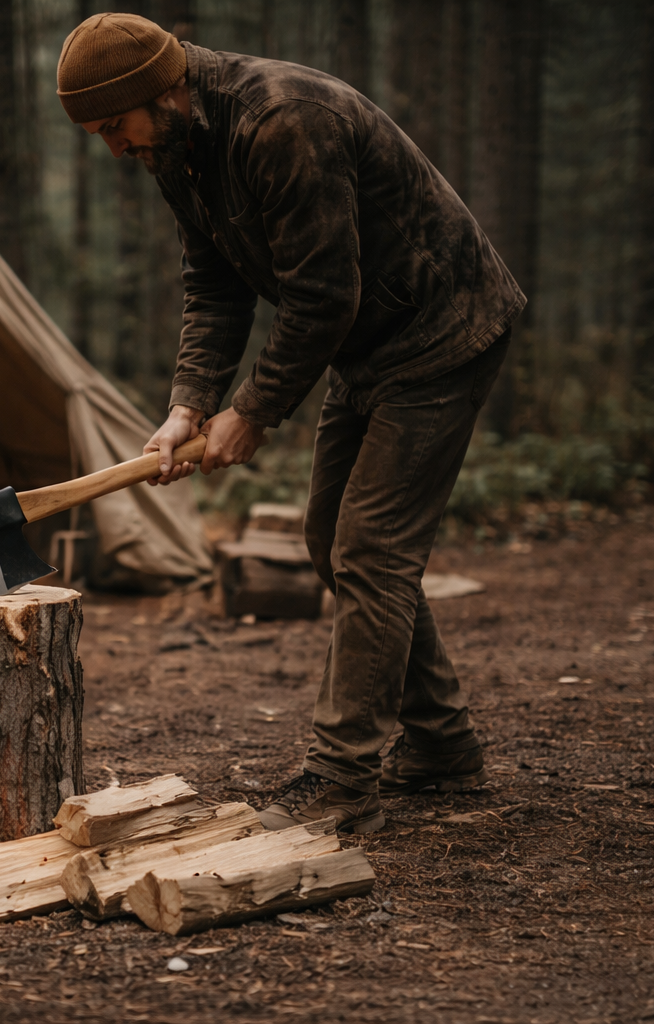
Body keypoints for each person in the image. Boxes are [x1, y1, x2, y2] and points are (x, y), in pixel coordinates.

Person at [57, 13, 524, 833]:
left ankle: (343, 777)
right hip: (366, 340)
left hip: (441, 327)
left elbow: (321, 297)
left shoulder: (282, 121)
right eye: (99, 134)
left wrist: (254, 411)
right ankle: (444, 745)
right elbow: (214, 282)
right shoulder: (174, 144)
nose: (114, 149)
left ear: (162, 92)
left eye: (113, 127)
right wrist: (189, 406)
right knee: (327, 538)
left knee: (371, 549)